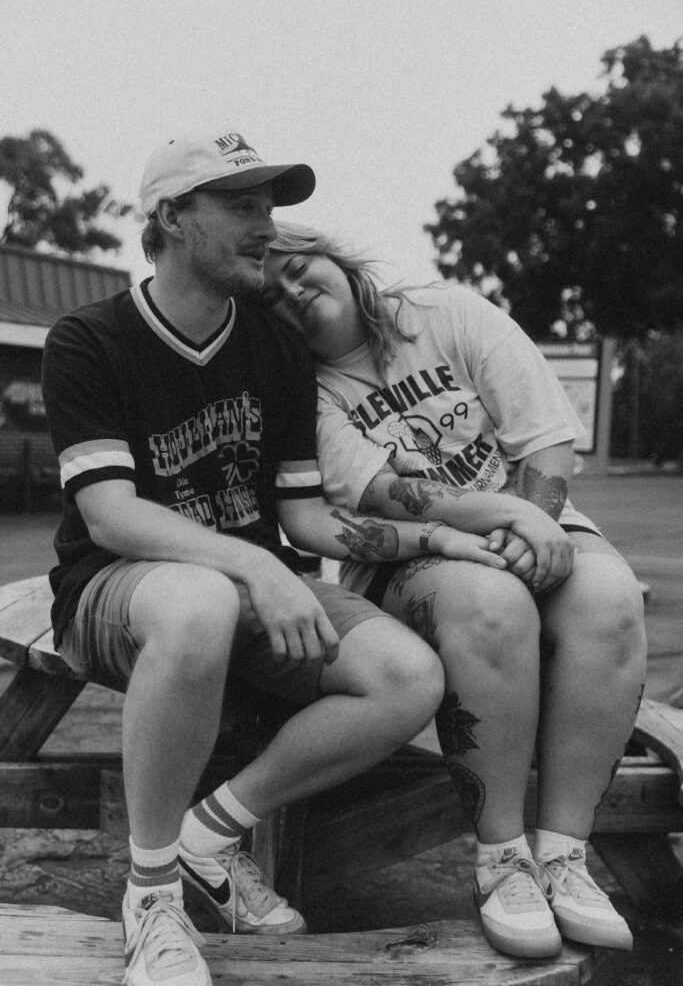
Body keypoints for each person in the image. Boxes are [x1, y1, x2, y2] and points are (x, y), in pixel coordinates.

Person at [40, 128, 513, 986]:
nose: (267, 225)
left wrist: (439, 535)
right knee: (199, 602)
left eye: (271, 204)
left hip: (249, 587)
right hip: (114, 592)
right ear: (171, 216)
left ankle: (202, 839)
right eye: (242, 204)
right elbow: (108, 515)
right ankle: (150, 902)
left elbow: (302, 514)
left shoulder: (272, 346)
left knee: (407, 676)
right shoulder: (89, 337)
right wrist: (256, 568)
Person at [261, 221, 648, 959]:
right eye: (270, 292)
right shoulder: (301, 388)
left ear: (333, 256)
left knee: (608, 599)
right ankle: (501, 858)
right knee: (487, 603)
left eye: (299, 266)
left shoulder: (445, 313)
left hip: (529, 517)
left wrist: (526, 526)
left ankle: (564, 855)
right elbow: (384, 494)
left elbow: (541, 434)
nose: (293, 290)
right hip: (410, 553)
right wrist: (504, 524)